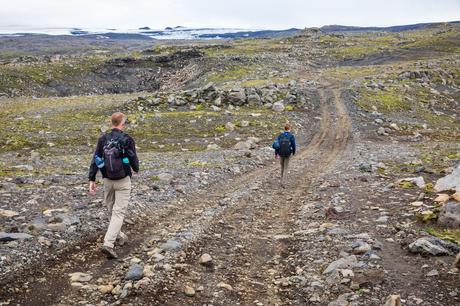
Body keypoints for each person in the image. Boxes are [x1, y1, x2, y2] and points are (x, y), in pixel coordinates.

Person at [88, 112, 139, 259]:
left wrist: (91, 178)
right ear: (122, 123)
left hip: (107, 180)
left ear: (111, 123)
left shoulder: (103, 139)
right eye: (125, 122)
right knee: (118, 213)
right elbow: (133, 157)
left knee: (112, 211)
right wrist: (135, 169)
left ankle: (119, 235)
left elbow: (96, 158)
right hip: (123, 181)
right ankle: (108, 244)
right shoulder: (127, 139)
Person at [277, 123, 296, 187]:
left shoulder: (280, 135)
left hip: (281, 153)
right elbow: (293, 145)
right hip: (288, 153)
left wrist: (276, 153)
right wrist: (293, 152)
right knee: (286, 168)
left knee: (282, 167)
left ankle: (281, 181)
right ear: (289, 129)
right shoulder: (291, 136)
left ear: (284, 128)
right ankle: (284, 183)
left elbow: (277, 145)